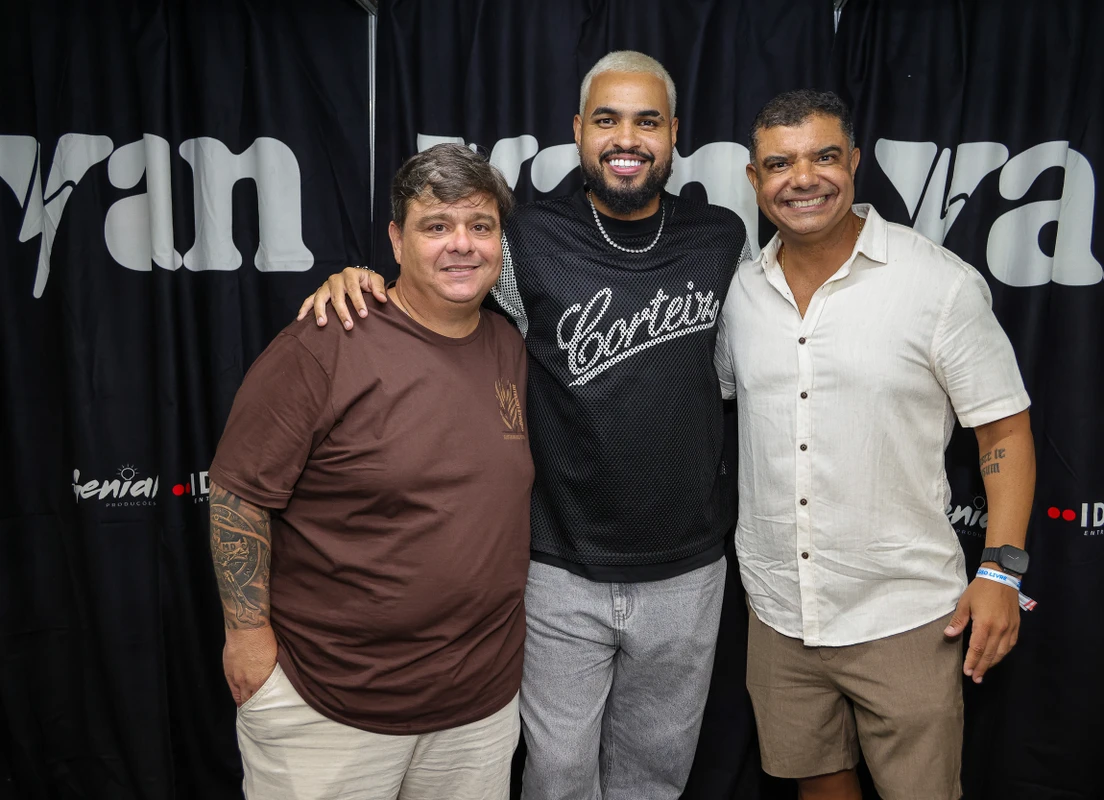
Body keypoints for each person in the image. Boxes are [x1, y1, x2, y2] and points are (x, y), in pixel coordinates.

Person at [298, 51, 749, 800]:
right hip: (556, 568)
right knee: (557, 777)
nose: (626, 138)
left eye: (646, 120)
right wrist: (363, 281)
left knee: (655, 779)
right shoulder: (526, 238)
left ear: (675, 133)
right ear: (578, 130)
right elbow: (441, 297)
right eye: (606, 119)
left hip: (686, 571)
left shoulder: (722, 237)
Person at [715, 89, 1036, 800]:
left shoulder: (938, 286)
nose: (803, 178)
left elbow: (1004, 430)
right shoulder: (739, 295)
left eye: (824, 156)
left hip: (905, 615)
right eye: (779, 163)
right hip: (777, 612)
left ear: (855, 161)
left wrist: (1002, 572)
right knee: (817, 785)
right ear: (753, 179)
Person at [207, 143, 532, 800]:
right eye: (436, 226)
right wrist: (245, 636)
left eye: (480, 225)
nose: (461, 245)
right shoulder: (327, 339)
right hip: (328, 703)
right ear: (397, 239)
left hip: (477, 708)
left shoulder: (508, 344)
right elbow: (239, 494)